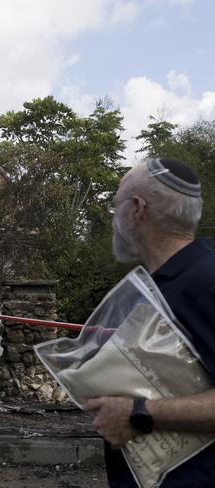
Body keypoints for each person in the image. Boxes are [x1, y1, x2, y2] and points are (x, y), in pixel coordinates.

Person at [86, 157, 215, 487]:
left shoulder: (206, 281)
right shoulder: (157, 284)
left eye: (116, 206)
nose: (115, 218)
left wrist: (137, 413)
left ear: (137, 209)